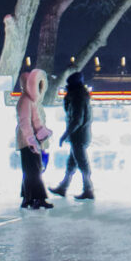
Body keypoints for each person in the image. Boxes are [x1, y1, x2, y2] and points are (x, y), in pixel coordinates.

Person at [50, 70, 94, 200]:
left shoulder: (77, 98)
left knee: (82, 164)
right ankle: (63, 188)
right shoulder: (80, 96)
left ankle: (88, 189)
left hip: (78, 137)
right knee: (72, 163)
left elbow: (77, 120)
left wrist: (65, 134)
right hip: (79, 136)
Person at [15, 67, 53, 209]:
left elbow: (36, 120)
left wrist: (42, 134)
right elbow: (25, 122)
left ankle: (28, 198)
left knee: (30, 169)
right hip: (27, 141)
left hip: (30, 139)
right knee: (34, 169)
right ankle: (38, 198)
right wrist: (31, 140)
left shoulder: (30, 100)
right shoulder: (25, 100)